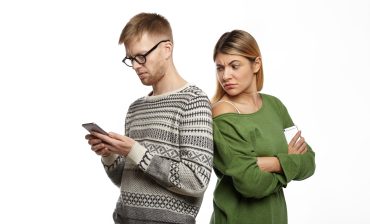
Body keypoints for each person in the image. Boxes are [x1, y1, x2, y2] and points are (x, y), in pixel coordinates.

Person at [85, 12, 213, 224]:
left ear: (167, 49)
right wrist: (108, 155)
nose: (136, 65)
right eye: (131, 59)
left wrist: (135, 151)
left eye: (141, 56)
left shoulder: (194, 102)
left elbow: (196, 182)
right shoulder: (135, 108)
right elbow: (126, 181)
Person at [209, 30, 316, 224]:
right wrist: (287, 162)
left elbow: (308, 162)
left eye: (234, 66)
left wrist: (268, 163)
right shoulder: (221, 114)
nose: (225, 75)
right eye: (220, 68)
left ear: (256, 64)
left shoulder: (274, 106)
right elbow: (250, 183)